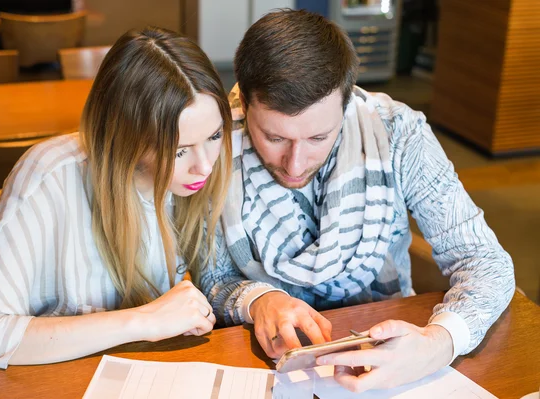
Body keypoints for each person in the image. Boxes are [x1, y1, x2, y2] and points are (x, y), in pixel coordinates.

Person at [200, 9, 515, 392]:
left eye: (318, 137)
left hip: (385, 343)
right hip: (258, 363)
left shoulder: (397, 132)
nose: (295, 164)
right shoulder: (210, 142)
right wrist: (259, 299)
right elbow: (211, 277)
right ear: (244, 103)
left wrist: (438, 342)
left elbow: (485, 260)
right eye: (275, 137)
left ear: (346, 105)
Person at [0, 27, 233, 371]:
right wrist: (143, 320)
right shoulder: (51, 175)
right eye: (179, 149)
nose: (205, 166)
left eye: (214, 135)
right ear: (129, 138)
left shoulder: (193, 182)